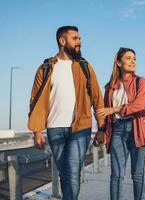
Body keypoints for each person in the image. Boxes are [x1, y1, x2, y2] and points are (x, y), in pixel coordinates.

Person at [27, 25, 105, 200]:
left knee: (72, 173)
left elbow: (98, 99)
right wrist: (37, 131)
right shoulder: (45, 68)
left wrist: (102, 128)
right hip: (54, 128)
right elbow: (34, 101)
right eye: (75, 38)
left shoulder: (85, 67)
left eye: (79, 38)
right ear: (62, 41)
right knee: (65, 174)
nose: (80, 42)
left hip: (80, 128)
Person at [93, 47, 145, 200]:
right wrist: (101, 129)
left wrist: (113, 109)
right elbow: (102, 111)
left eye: (134, 58)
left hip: (138, 128)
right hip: (117, 129)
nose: (132, 61)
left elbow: (139, 105)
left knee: (137, 174)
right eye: (128, 58)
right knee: (116, 174)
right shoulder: (110, 87)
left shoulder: (141, 82)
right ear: (118, 62)